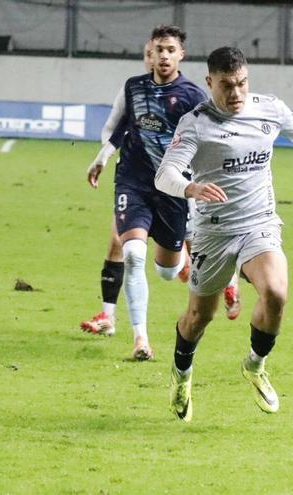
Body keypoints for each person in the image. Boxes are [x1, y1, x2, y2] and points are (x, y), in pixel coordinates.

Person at [155, 46, 293, 421]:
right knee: (199, 316)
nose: (236, 94)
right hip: (213, 233)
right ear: (210, 82)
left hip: (258, 223)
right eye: (227, 86)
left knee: (276, 292)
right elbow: (164, 174)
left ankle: (255, 365)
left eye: (242, 83)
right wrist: (190, 188)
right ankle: (182, 374)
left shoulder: (269, 109)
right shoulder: (195, 123)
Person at [81, 25, 206, 361]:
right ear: (151, 53)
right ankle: (141, 340)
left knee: (167, 270)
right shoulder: (133, 87)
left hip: (172, 189)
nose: (164, 56)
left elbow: (209, 140)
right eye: (159, 49)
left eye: (170, 50)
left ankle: (180, 260)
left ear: (181, 55)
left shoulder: (194, 97)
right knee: (133, 253)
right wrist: (102, 158)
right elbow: (122, 127)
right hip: (133, 183)